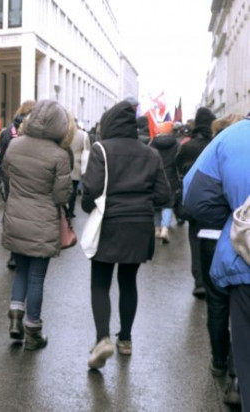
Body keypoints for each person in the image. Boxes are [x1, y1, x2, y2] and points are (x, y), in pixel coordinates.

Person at [82, 101, 171, 369]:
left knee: (100, 282)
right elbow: (164, 195)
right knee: (128, 281)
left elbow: (91, 189)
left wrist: (88, 207)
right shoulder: (150, 153)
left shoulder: (101, 149)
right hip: (140, 225)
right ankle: (126, 339)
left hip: (109, 223)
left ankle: (103, 339)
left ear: (109, 123)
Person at [183, 115, 250, 408]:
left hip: (245, 259)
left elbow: (195, 197)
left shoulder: (230, 138)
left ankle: (230, 371)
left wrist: (232, 221)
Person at [1, 100, 72, 350]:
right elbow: (61, 196)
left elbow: (7, 176)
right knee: (37, 277)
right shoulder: (60, 155)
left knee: (20, 270)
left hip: (16, 217)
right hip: (43, 222)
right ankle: (33, 330)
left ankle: (15, 317)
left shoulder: (15, 145)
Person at [176, 107, 217, 298]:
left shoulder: (187, 146)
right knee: (214, 239)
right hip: (214, 200)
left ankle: (199, 281)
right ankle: (212, 279)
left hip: (192, 199)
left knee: (195, 239)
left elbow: (178, 168)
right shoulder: (215, 144)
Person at [0, 100, 35, 269]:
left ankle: (14, 255)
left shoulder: (8, 131)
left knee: (12, 212)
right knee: (30, 213)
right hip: (32, 178)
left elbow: (3, 157)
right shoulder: (38, 130)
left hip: (12, 178)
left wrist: (6, 178)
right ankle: (29, 251)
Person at [149, 121, 180, 243]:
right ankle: (165, 228)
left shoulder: (152, 143)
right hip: (171, 176)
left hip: (156, 176)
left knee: (156, 203)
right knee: (169, 203)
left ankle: (156, 228)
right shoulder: (176, 143)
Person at [67, 119, 89, 218]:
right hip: (76, 165)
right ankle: (71, 211)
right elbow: (86, 153)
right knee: (73, 189)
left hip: (63, 163)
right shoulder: (83, 135)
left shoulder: (63, 133)